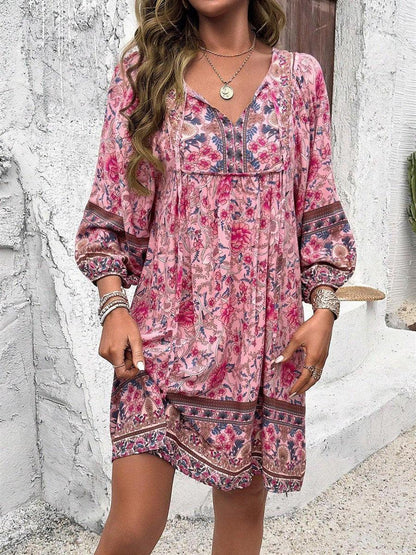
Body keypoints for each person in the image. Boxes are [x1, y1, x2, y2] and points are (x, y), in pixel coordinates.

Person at [74, 0, 357, 553]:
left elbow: (317, 208)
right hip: (160, 344)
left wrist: (324, 310)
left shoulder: (300, 80)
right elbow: (112, 208)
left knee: (240, 526)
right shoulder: (146, 74)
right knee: (132, 529)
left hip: (261, 351)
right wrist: (114, 305)